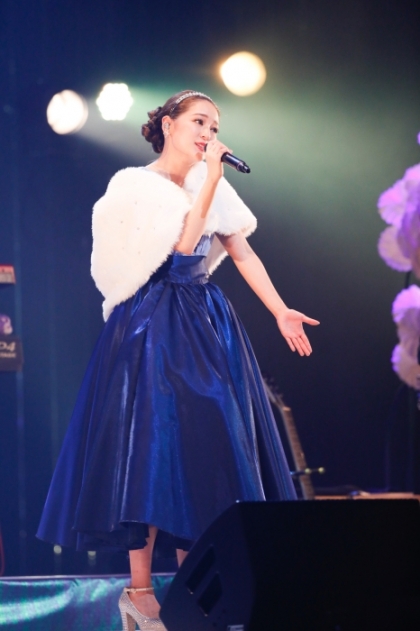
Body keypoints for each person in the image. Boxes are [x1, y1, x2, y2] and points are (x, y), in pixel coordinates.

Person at [37, 89, 319, 630]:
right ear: (168, 124)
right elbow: (182, 249)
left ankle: (194, 590)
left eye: (214, 126)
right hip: (151, 324)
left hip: (205, 321)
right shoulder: (133, 186)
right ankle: (139, 592)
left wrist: (280, 310)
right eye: (199, 122)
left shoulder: (212, 183)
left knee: (206, 446)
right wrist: (209, 180)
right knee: (147, 448)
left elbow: (241, 251)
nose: (209, 134)